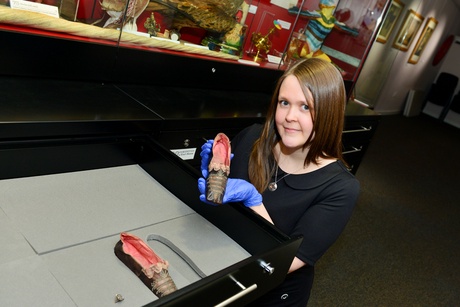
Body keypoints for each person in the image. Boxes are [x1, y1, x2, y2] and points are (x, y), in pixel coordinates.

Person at [198, 57, 360, 306]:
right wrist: (210, 178)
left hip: (271, 294)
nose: (289, 117)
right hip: (222, 267)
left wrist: (253, 200)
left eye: (305, 107)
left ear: (329, 113)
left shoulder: (340, 188)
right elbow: (219, 212)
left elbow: (284, 262)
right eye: (284, 103)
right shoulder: (252, 137)